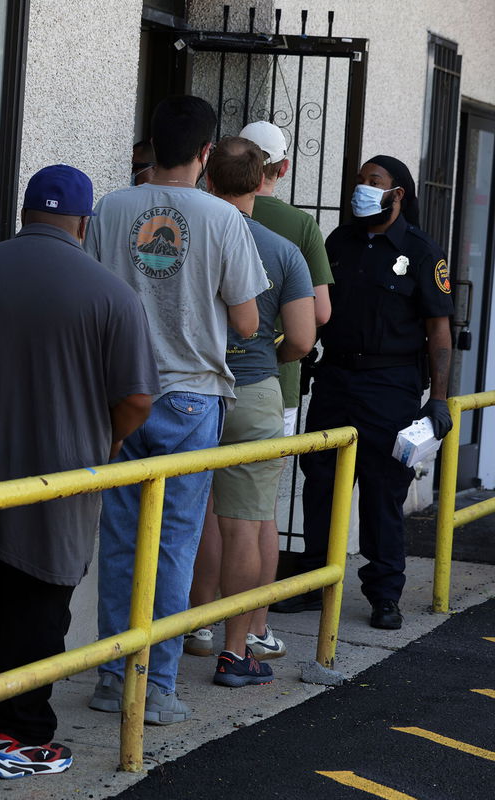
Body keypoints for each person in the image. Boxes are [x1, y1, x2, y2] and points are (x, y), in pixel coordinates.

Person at [0, 165, 157, 778]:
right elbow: (139, 399)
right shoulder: (111, 292)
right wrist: (108, 438)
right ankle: (22, 736)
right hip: (60, 473)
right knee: (40, 598)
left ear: (23, 214)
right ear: (83, 223)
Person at [84, 95, 268, 723]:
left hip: (119, 393)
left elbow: (93, 295)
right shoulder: (223, 219)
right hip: (193, 394)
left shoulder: (110, 207)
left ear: (152, 146)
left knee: (119, 541)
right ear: (206, 154)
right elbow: (246, 321)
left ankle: (113, 677)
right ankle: (156, 685)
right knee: (175, 544)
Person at [275, 155, 453, 630]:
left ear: (398, 194)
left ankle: (384, 593)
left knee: (382, 490)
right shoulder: (339, 242)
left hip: (390, 386)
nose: (362, 189)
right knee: (322, 483)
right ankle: (314, 582)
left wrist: (439, 399)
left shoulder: (421, 251)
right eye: (358, 181)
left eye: (373, 182)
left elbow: (439, 331)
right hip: (335, 379)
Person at [184, 137, 315, 686]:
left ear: (207, 178)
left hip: (188, 384)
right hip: (256, 388)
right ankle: (236, 652)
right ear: (262, 181)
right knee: (248, 525)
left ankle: (181, 634)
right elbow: (304, 339)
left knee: (183, 518)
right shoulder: (282, 249)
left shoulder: (189, 237)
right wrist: (266, 354)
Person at [235, 119, 334, 647]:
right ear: (284, 167)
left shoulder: (204, 215)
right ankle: (252, 630)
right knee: (257, 516)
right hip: (273, 387)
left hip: (195, 382)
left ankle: (197, 624)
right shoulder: (298, 226)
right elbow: (319, 314)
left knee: (200, 510)